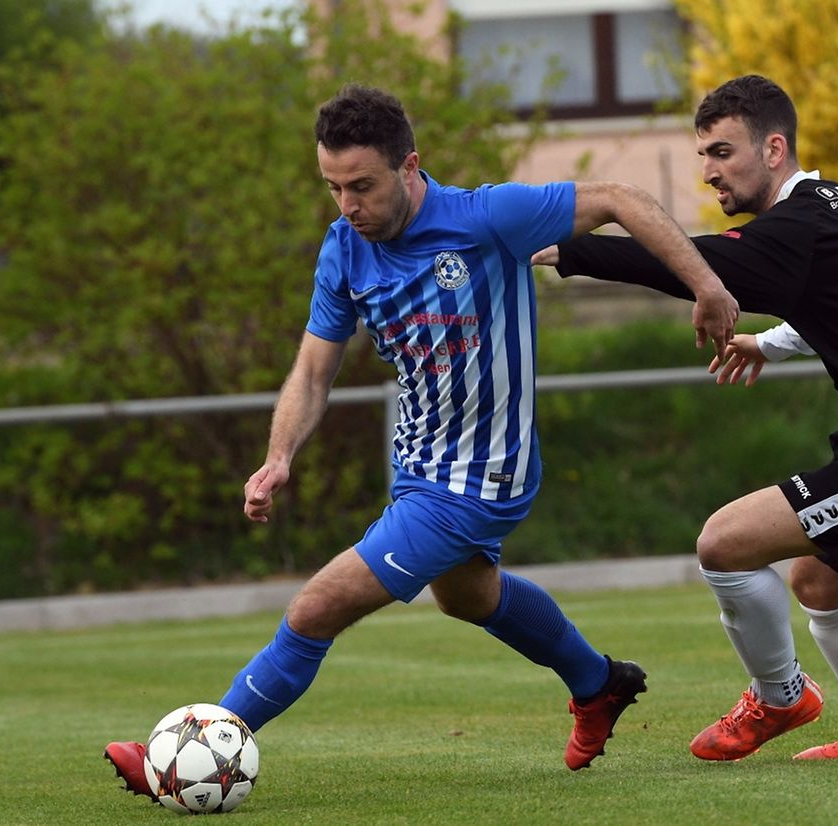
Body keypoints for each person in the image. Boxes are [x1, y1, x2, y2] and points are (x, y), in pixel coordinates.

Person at [104, 83, 740, 798]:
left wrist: (707, 287)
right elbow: (314, 368)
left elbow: (625, 198)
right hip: (418, 468)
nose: (348, 205)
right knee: (467, 597)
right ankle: (598, 683)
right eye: (334, 187)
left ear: (410, 167)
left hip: (484, 476)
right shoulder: (346, 248)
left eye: (363, 186)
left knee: (316, 609)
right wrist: (278, 455)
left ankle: (193, 753)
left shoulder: (488, 217)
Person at [534, 75, 838, 761]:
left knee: (723, 544)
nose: (709, 171)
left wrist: (571, 251)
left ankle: (779, 696)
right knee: (817, 583)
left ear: (774, 148)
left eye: (722, 152)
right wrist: (769, 342)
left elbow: (702, 263)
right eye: (704, 155)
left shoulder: (802, 226)